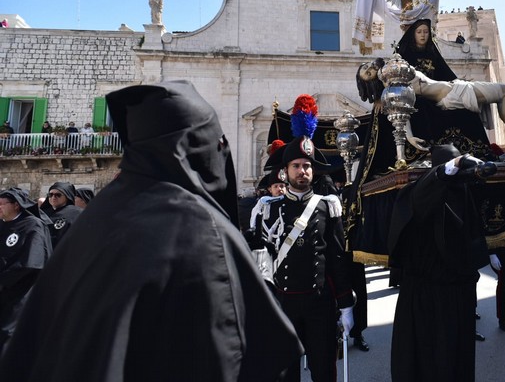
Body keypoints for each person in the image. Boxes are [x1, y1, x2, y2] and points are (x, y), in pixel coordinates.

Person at [0, 80, 302, 381]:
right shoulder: (197, 227)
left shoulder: (100, 213)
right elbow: (228, 351)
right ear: (193, 148)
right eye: (216, 143)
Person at [251, 94, 355, 382]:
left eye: (307, 166)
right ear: (285, 172)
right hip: (283, 304)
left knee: (323, 370)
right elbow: (262, 260)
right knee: (285, 374)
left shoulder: (327, 206)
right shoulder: (267, 209)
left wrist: (345, 303)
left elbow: (336, 256)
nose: (303, 171)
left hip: (319, 303)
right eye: (297, 166)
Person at [388, 144, 489, 382]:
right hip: (424, 297)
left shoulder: (464, 194)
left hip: (458, 295)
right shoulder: (418, 192)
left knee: (456, 361)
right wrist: (448, 169)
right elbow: (422, 194)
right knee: (426, 361)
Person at [357, 57, 505, 156]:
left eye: (367, 66)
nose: (370, 69)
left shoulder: (393, 73)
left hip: (455, 87)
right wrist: (411, 137)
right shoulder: (393, 83)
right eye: (367, 73)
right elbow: (401, 111)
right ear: (370, 82)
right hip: (452, 95)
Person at [0, 188, 52, 354]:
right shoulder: (3, 225)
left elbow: (31, 262)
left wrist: (3, 280)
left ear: (16, 205)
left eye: (1, 204)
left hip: (20, 292)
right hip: (4, 291)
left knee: (9, 334)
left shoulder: (32, 225)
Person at [40, 182, 82, 249]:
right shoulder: (42, 213)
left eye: (58, 195)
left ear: (67, 196)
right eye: (50, 194)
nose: (53, 197)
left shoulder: (77, 213)